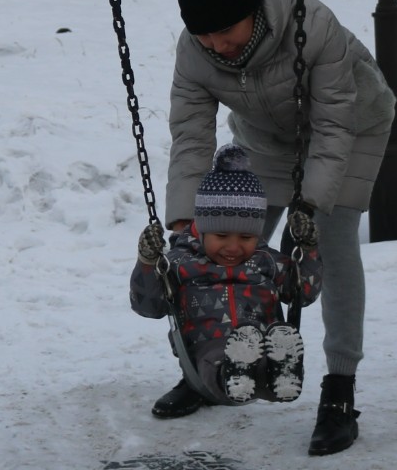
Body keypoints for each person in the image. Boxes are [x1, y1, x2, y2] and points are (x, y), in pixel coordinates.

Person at [157, 0, 397, 456]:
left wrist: (309, 207)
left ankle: (339, 391)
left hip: (352, 127)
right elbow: (192, 137)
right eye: (205, 36)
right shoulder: (195, 52)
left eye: (226, 33)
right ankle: (211, 368)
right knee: (223, 244)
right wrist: (185, 218)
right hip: (265, 137)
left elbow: (334, 124)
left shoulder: (313, 27)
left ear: (251, 14)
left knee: (328, 246)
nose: (216, 45)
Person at [131, 145, 321, 405]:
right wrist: (147, 262)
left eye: (246, 237)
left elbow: (304, 293)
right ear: (202, 230)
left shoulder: (266, 260)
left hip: (264, 339)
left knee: (266, 367)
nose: (233, 247)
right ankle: (234, 371)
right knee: (218, 361)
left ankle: (283, 368)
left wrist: (308, 250)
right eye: (221, 236)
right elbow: (148, 306)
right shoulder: (181, 262)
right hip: (209, 346)